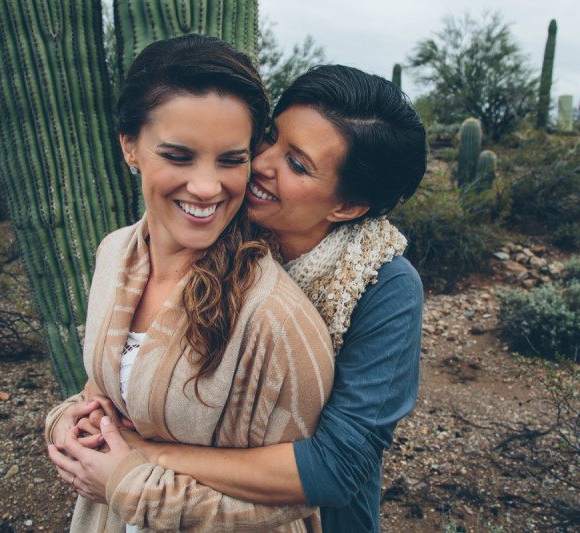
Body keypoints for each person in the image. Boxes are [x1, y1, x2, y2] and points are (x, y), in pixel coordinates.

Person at [69, 64, 428, 532]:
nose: (261, 163)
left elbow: (335, 467)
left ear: (346, 207)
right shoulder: (211, 224)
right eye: (268, 137)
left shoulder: (385, 287)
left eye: (296, 164)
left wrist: (146, 454)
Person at [44, 35, 336, 532]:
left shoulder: (274, 317)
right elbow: (104, 390)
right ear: (129, 146)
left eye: (230, 160)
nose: (206, 187)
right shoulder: (113, 255)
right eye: (179, 156)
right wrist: (70, 421)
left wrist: (129, 484)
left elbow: (294, 501)